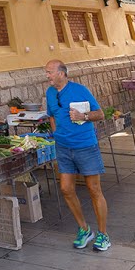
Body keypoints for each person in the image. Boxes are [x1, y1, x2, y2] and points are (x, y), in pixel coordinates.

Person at [45, 60, 110, 252]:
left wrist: (83, 117)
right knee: (66, 189)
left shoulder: (80, 90)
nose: (47, 75)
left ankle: (103, 234)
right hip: (63, 148)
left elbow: (100, 114)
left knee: (94, 189)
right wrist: (56, 133)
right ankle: (84, 229)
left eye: (50, 72)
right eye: (46, 72)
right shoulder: (49, 93)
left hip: (85, 146)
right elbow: (51, 115)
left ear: (62, 73)